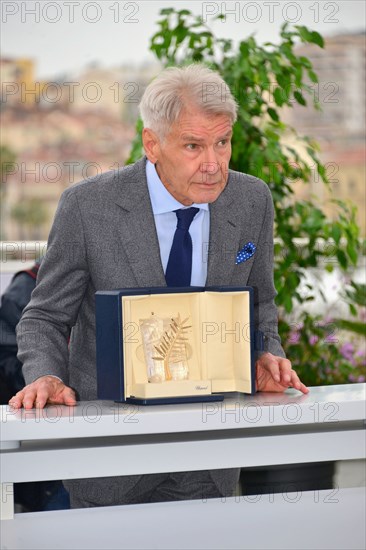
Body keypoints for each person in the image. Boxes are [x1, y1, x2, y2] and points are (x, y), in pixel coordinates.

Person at [9, 64, 308, 507]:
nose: (213, 163)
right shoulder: (88, 206)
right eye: (193, 146)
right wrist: (48, 376)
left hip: (209, 460)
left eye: (222, 143)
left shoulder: (251, 200)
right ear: (152, 143)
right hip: (110, 460)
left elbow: (259, 304)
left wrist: (265, 355)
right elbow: (44, 317)